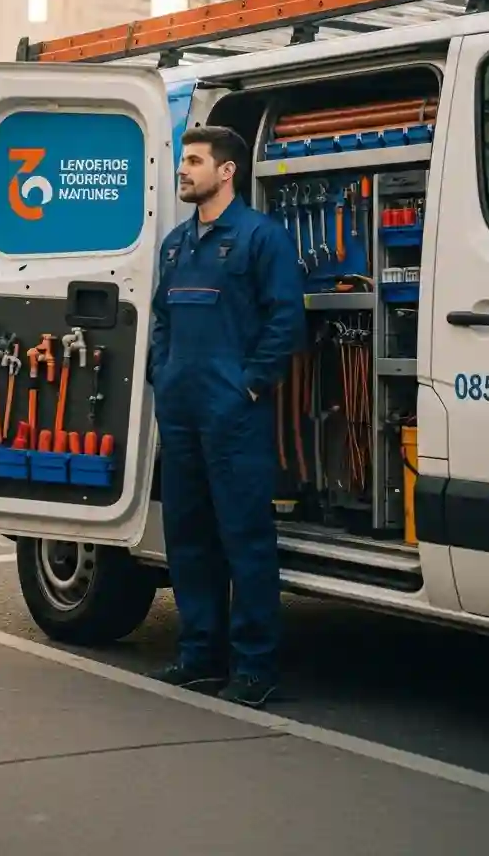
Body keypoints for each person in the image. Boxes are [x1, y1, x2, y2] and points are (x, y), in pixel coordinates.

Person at [148, 126, 306, 708]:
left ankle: (256, 668)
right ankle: (199, 657)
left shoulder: (262, 237)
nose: (183, 169)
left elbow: (286, 321)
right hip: (181, 411)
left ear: (227, 171)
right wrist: (163, 374)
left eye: (194, 161)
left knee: (246, 540)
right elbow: (162, 319)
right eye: (183, 160)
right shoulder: (176, 244)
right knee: (188, 537)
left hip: (233, 414)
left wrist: (250, 385)